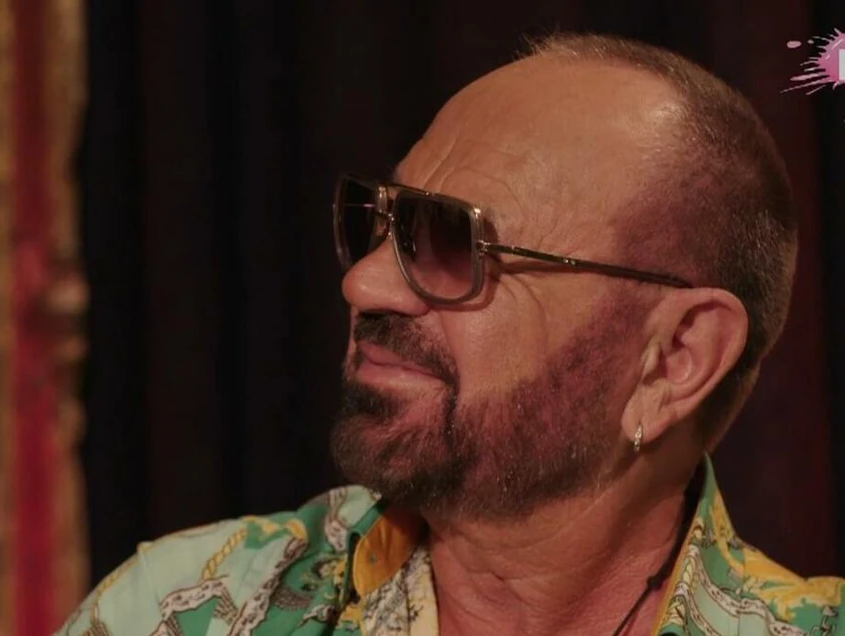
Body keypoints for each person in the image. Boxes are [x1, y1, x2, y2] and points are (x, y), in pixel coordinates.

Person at [59, 33, 844, 636]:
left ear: (675, 359)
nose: (364, 284)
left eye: (452, 244)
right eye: (383, 223)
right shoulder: (184, 608)